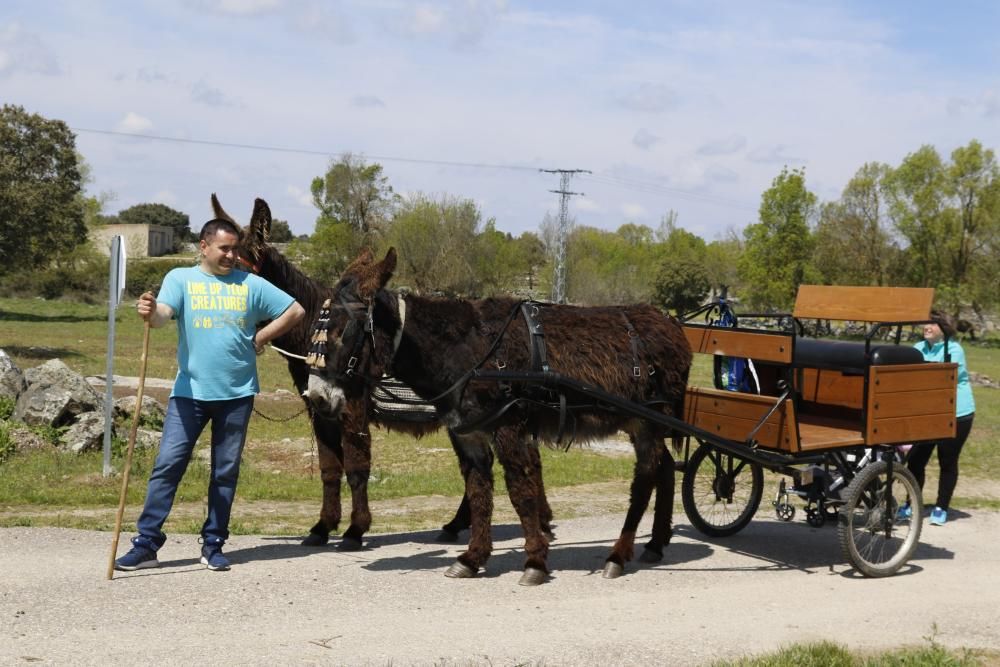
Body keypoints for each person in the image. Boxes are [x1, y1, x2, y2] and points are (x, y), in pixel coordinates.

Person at [115, 217, 305, 571]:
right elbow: (162, 316)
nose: (232, 255)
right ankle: (147, 544)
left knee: (224, 471)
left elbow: (295, 310)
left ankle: (214, 543)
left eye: (235, 249)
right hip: (190, 394)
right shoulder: (181, 279)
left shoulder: (250, 284)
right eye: (225, 248)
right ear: (203, 246)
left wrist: (262, 338)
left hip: (237, 395)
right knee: (168, 465)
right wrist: (149, 310)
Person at [900, 310, 975, 526]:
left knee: (947, 460)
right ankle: (911, 503)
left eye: (932, 324)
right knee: (916, 459)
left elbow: (939, 378)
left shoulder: (954, 349)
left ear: (944, 329)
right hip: (927, 414)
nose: (927, 327)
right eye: (925, 323)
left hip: (957, 413)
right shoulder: (918, 348)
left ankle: (941, 507)